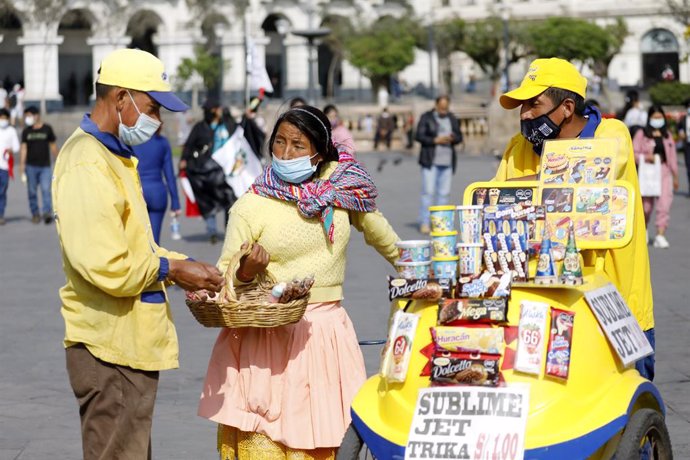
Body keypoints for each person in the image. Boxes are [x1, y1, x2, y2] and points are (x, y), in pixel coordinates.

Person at [197, 105, 400, 459]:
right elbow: (225, 278)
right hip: (266, 341)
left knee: (324, 443)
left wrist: (431, 271)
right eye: (279, 143)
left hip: (325, 339)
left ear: (318, 154)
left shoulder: (342, 190)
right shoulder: (251, 204)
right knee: (264, 443)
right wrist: (245, 272)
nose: (286, 153)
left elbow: (391, 244)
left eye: (298, 146)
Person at [52, 48, 225, 460]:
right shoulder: (86, 162)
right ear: (120, 98)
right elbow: (106, 264)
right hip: (107, 349)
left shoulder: (112, 155)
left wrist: (187, 264)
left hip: (127, 345)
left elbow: (135, 246)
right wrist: (173, 269)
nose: (157, 121)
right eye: (151, 108)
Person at [494, 57, 655, 380]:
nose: (524, 114)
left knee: (624, 399)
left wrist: (524, 190)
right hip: (539, 303)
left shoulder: (611, 134)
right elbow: (495, 207)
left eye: (533, 104)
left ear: (567, 107)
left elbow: (586, 180)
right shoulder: (518, 148)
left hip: (614, 301)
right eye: (521, 105)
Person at [179, 100, 238, 244]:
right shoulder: (200, 127)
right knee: (207, 200)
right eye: (217, 108)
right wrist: (184, 159)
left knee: (229, 199)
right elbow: (189, 145)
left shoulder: (227, 125)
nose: (219, 110)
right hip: (205, 171)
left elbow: (239, 137)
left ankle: (229, 229)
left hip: (225, 170)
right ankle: (212, 231)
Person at [415, 95, 463, 234]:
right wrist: (435, 140)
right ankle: (425, 222)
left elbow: (460, 136)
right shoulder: (427, 117)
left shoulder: (452, 118)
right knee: (428, 192)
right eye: (441, 107)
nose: (443, 110)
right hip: (430, 161)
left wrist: (452, 138)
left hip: (447, 161)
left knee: (444, 194)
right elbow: (418, 135)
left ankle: (440, 223)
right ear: (436, 105)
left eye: (446, 108)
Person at [633, 105, 678, 249]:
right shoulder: (642, 134)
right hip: (647, 172)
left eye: (660, 117)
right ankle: (643, 229)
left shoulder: (667, 135)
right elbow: (632, 153)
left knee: (664, 204)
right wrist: (646, 157)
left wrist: (675, 175)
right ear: (649, 118)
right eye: (655, 117)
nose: (658, 120)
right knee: (645, 206)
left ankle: (660, 234)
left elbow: (672, 157)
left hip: (663, 171)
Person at [132, 128, 181, 244]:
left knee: (136, 242)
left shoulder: (130, 142)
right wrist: (175, 202)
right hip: (157, 192)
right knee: (154, 243)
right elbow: (169, 175)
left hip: (137, 192)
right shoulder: (162, 142)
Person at [19, 106, 59, 224]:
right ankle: (35, 213)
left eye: (30, 115)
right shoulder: (26, 131)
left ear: (37, 115)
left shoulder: (47, 129)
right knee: (32, 191)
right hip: (30, 166)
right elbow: (23, 148)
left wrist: (58, 160)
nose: (28, 118)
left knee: (46, 190)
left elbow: (52, 146)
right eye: (26, 116)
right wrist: (21, 165)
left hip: (45, 166)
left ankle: (46, 213)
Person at [0, 108, 20, 225]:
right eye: (1, 118)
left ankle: (1, 214)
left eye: (4, 118)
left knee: (2, 192)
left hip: (5, 167)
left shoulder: (11, 130)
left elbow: (16, 147)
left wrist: (10, 150)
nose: (2, 120)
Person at [676, 98, 690, 196]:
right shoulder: (684, 119)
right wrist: (681, 133)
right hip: (687, 145)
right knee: (689, 167)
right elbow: (679, 128)